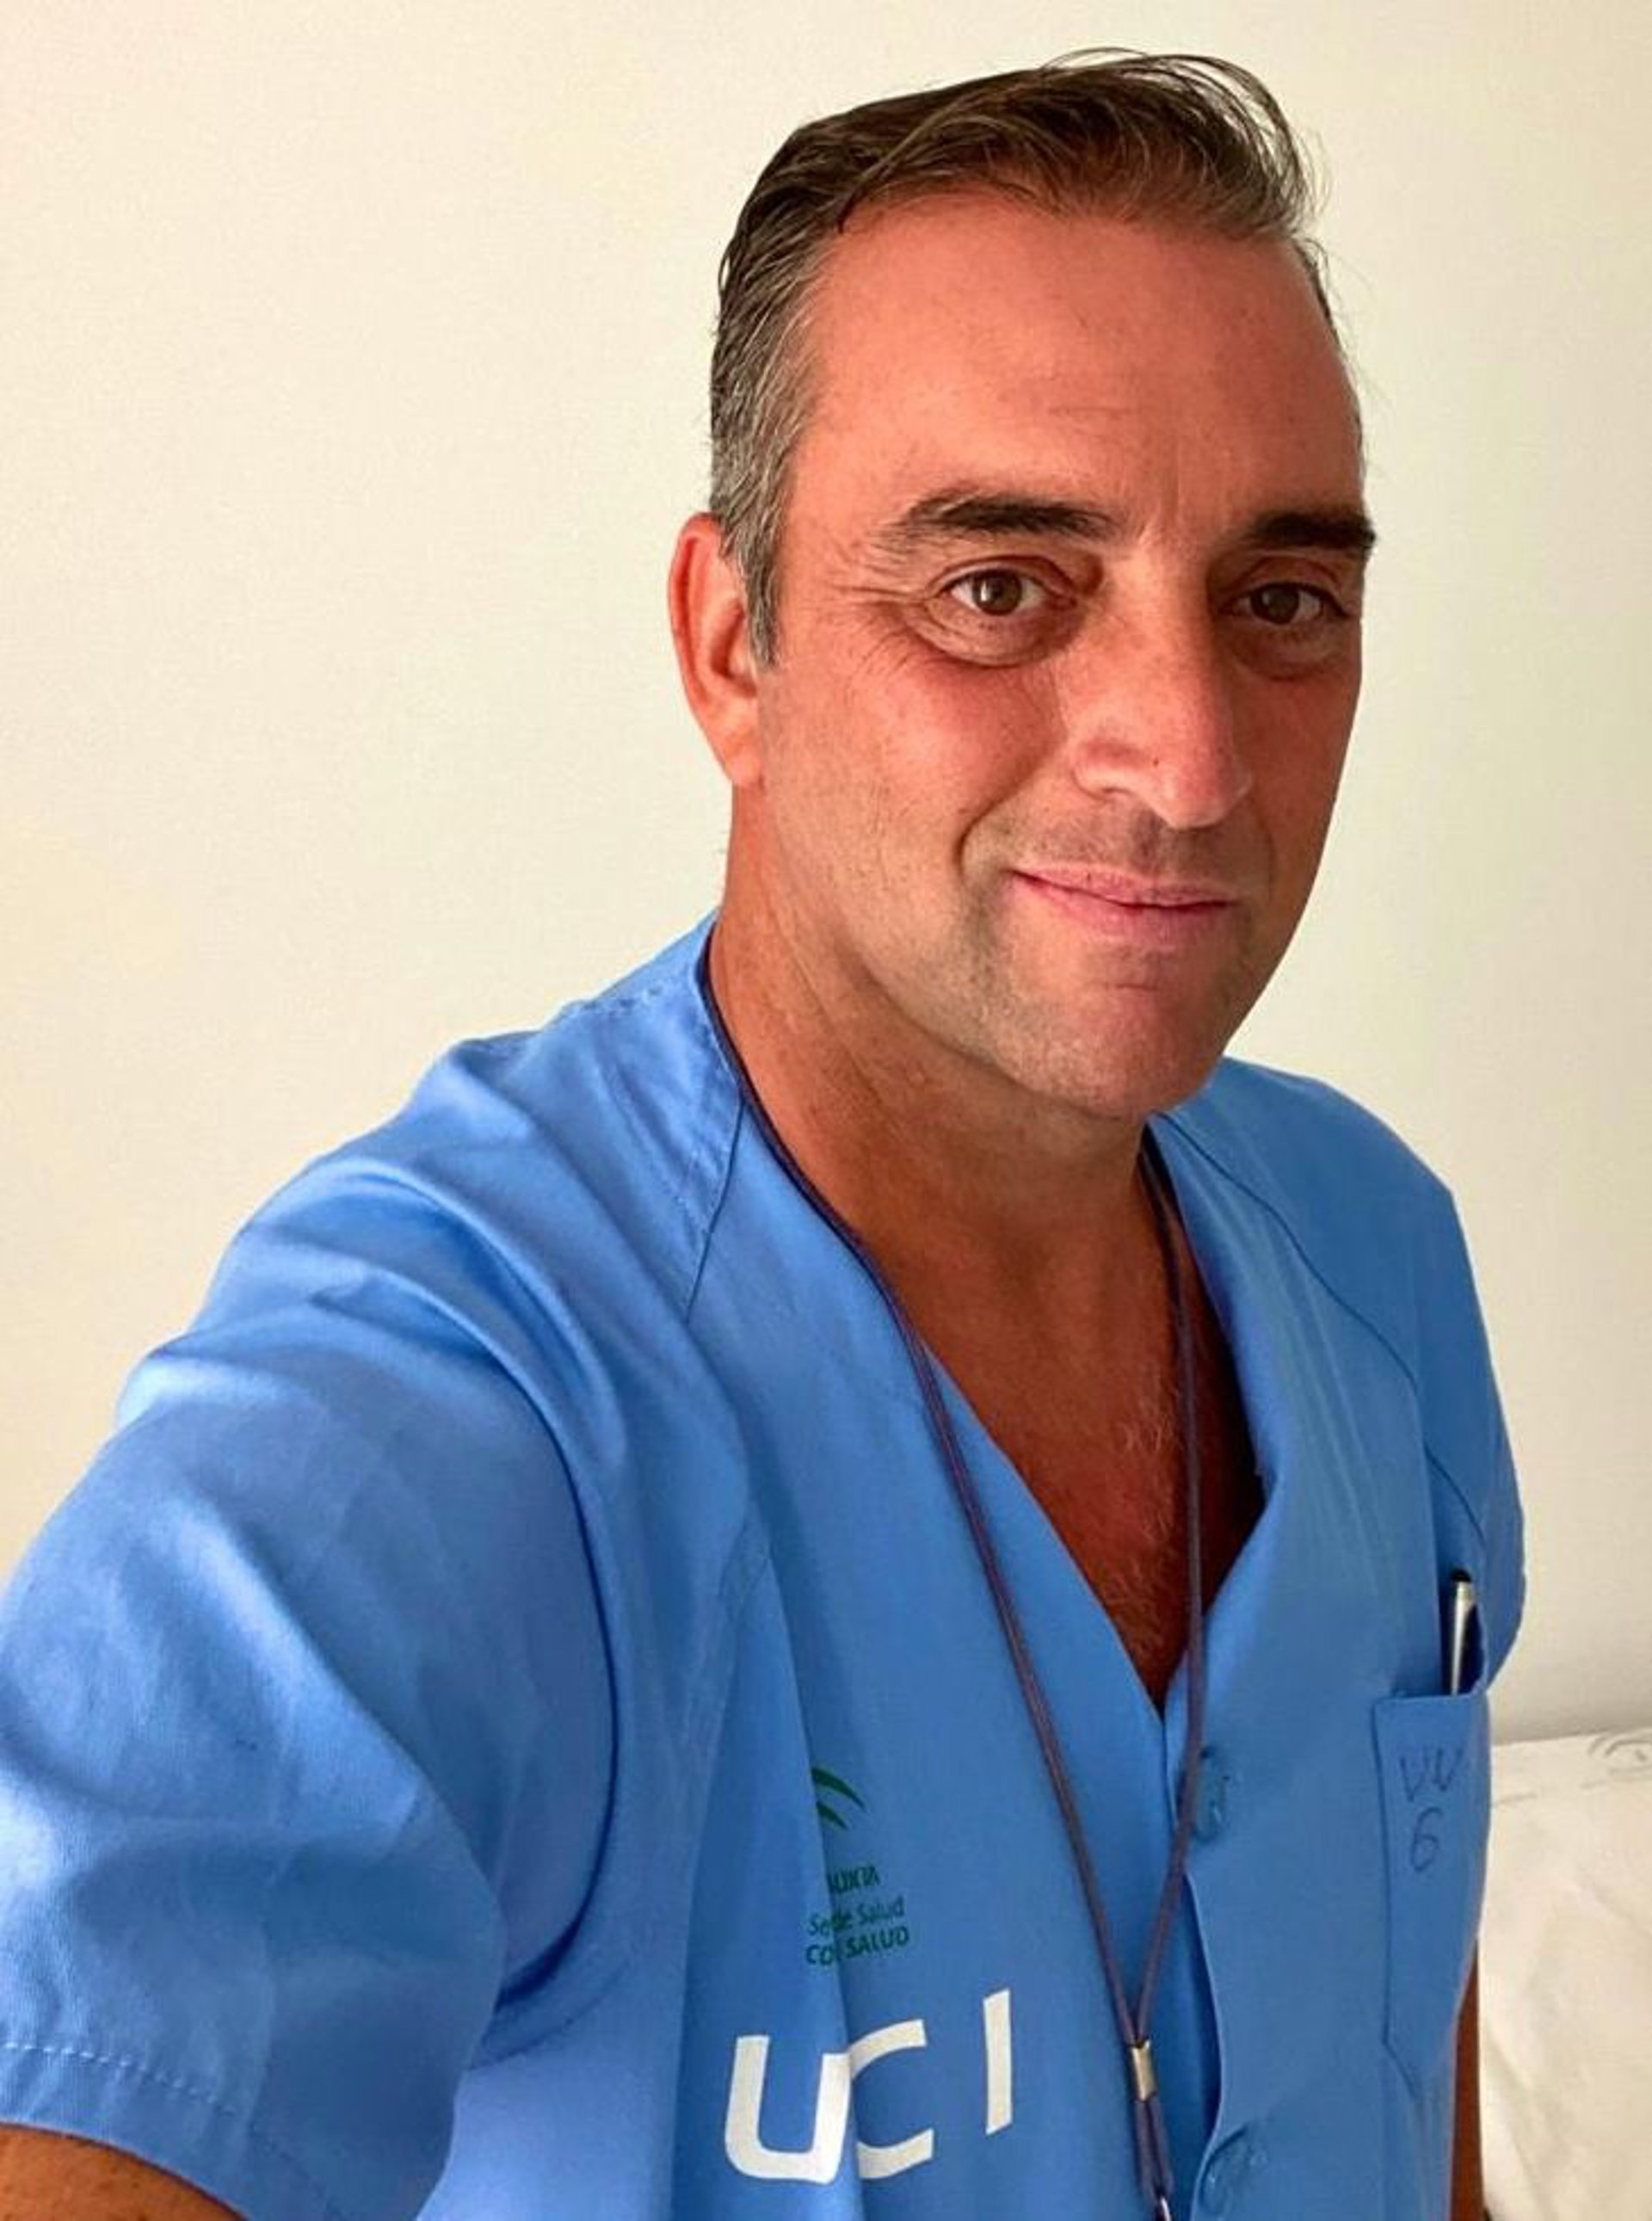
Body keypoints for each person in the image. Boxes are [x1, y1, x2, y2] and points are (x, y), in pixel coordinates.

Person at [0, 49, 1521, 2221]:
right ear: (735, 645)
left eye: (1280, 599)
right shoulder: (452, 1420)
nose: (1189, 759)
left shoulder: (1374, 1257)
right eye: (1001, 586)